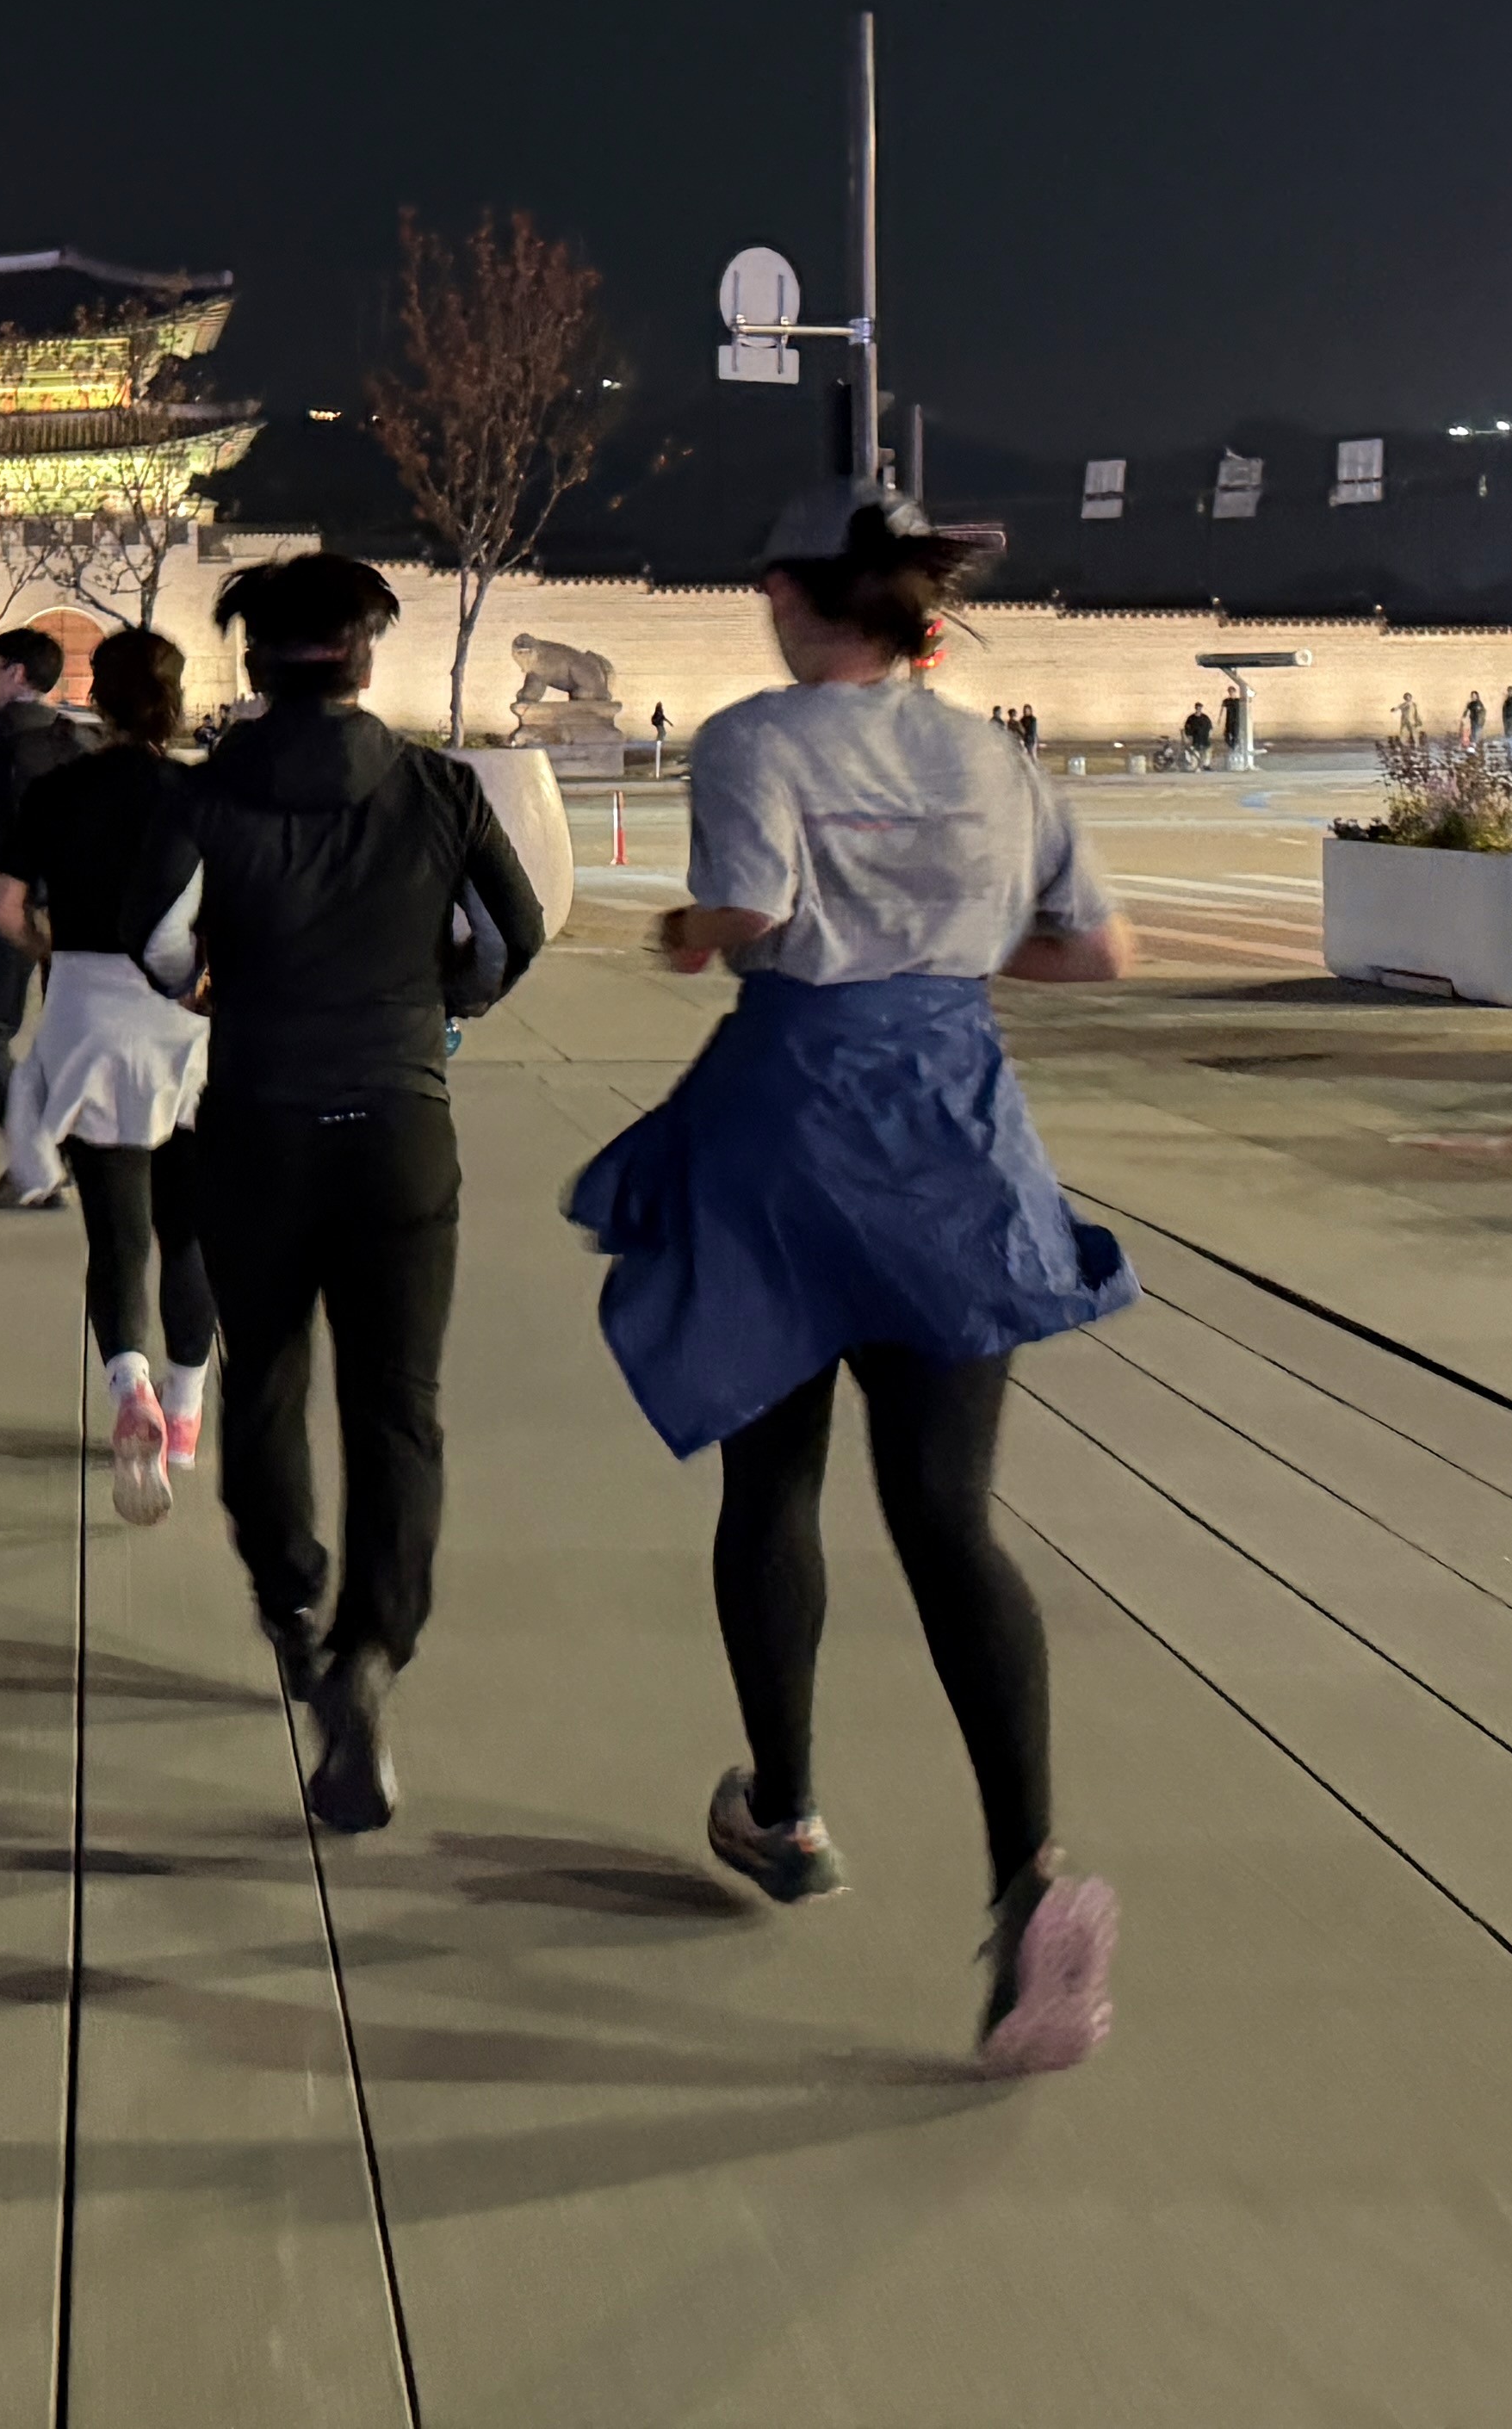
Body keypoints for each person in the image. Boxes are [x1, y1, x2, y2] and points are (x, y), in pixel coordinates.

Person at [592, 483, 1137, 2076]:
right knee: (947, 1513)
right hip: (954, 1128)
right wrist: (943, 946)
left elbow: (752, 910)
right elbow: (1096, 950)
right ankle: (1025, 1869)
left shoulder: (758, 736)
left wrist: (689, 928)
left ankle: (784, 1804)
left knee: (773, 1485)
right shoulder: (995, 755)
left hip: (789, 1134)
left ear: (781, 591)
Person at [133, 553, 544, 1832]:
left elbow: (156, 947)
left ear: (253, 664)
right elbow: (513, 933)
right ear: (365, 657)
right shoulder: (439, 789)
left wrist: (208, 991)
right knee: (397, 1402)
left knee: (263, 1376)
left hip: (259, 1120)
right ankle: (375, 1643)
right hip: (397, 1124)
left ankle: (290, 1596)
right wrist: (445, 1004)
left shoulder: (201, 799)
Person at [0, 624, 218, 1524]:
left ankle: (130, 1391)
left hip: (86, 1015)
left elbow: (4, 908)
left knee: (116, 1235)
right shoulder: (202, 797)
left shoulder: (56, 790)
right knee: (188, 1231)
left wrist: (56, 949)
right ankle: (189, 1410)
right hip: (181, 1021)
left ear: (99, 699)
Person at [0, 625, 87, 1207]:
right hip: (77, 905)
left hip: (6, 896)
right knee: (69, 1039)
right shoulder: (75, 739)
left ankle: (36, 1162)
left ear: (18, 674)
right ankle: (60, 1153)